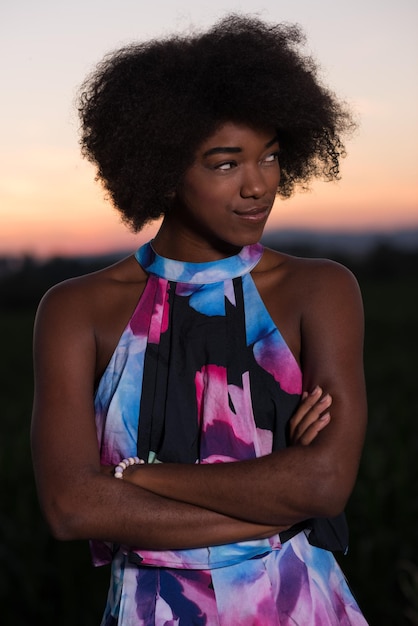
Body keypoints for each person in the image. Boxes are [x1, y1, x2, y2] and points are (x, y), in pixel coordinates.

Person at [31, 14, 368, 625]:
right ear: (163, 169)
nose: (258, 186)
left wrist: (135, 478)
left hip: (299, 608)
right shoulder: (76, 310)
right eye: (224, 163)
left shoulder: (318, 290)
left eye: (269, 157)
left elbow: (324, 486)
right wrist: (277, 505)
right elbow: (71, 507)